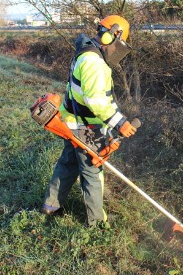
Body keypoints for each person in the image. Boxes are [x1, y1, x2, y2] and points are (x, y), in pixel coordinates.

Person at [41, 15, 137, 227]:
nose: (117, 50)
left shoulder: (85, 52)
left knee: (68, 164)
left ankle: (51, 205)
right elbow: (96, 101)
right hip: (86, 126)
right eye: (117, 44)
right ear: (109, 37)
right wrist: (120, 122)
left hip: (72, 122)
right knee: (93, 173)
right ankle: (97, 223)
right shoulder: (94, 62)